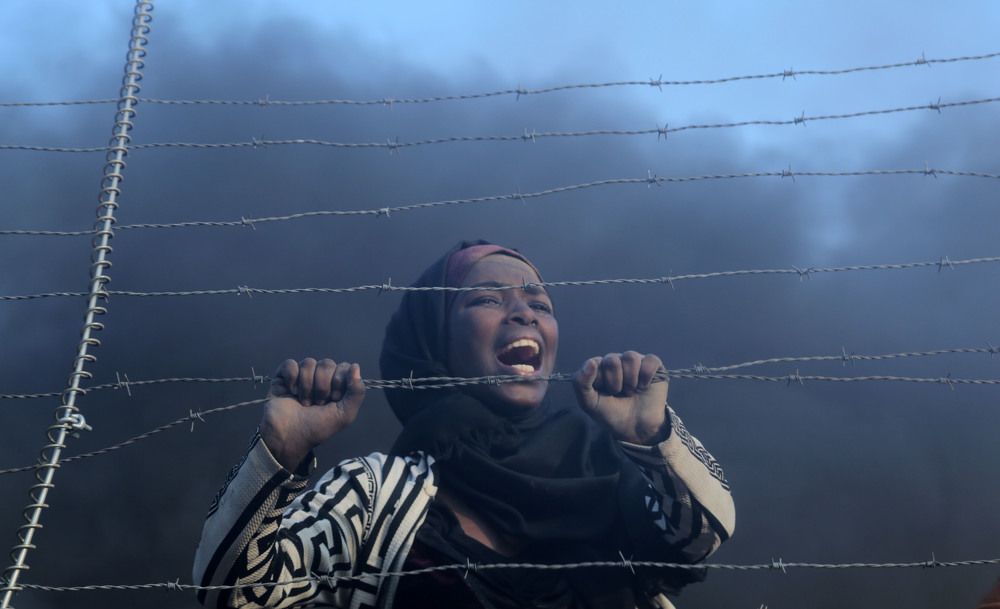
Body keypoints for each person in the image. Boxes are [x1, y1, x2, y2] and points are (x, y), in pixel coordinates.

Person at [192, 241, 735, 609]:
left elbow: (701, 537)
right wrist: (278, 454)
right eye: (484, 299)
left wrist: (651, 435)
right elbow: (236, 596)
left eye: (539, 303)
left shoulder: (604, 467)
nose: (524, 314)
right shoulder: (377, 494)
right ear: (436, 344)